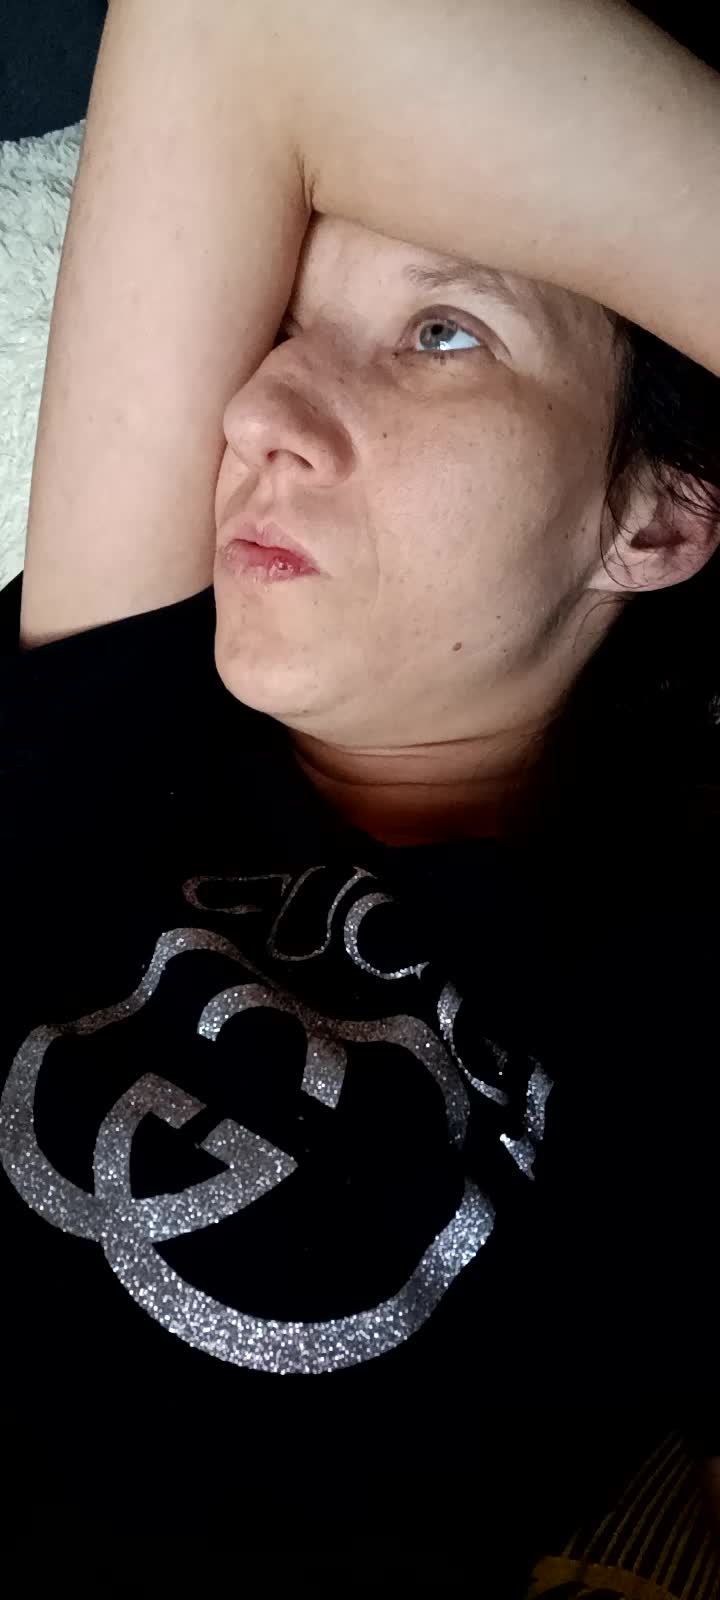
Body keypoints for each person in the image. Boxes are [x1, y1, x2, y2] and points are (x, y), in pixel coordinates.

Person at [1, 0, 719, 1584]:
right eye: (280, 321)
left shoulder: (673, 1009)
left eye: (442, 333)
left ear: (656, 523)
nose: (257, 412)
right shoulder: (120, 706)